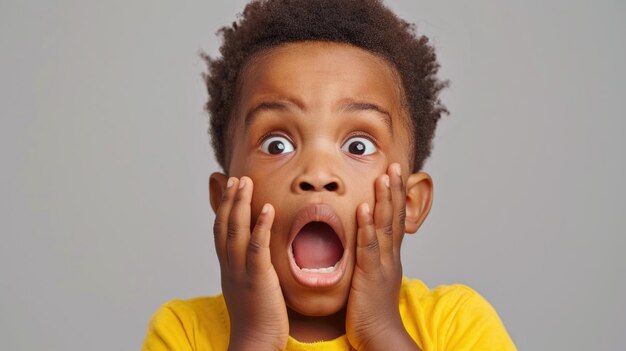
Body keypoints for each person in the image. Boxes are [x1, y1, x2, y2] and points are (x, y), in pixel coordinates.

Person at [142, 0, 516, 350]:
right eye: (277, 145)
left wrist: (383, 331)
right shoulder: (183, 331)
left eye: (358, 146)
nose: (318, 174)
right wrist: (255, 337)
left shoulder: (454, 323)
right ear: (226, 200)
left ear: (409, 202)